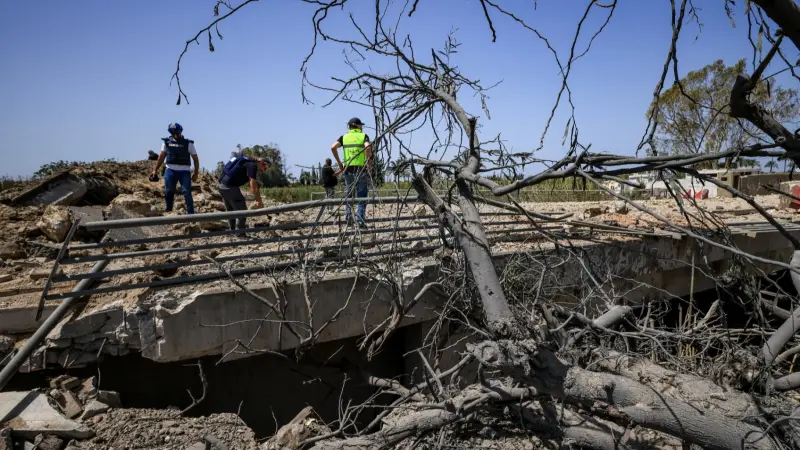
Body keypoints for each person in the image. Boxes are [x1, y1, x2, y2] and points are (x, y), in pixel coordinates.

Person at [330, 117, 373, 228]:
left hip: (348, 169)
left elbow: (333, 147)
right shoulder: (363, 136)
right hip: (361, 169)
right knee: (362, 195)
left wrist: (340, 163)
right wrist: (368, 162)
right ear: (357, 126)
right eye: (361, 125)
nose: (362, 127)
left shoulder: (344, 137)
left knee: (349, 194)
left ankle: (349, 219)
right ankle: (360, 220)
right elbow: (368, 146)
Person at [151, 123, 200, 215]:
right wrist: (155, 170)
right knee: (169, 191)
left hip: (184, 171)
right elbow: (161, 157)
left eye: (178, 133)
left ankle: (191, 214)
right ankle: (169, 211)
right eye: (174, 133)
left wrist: (196, 172)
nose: (176, 135)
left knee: (186, 192)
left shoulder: (188, 144)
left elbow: (196, 159)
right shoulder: (166, 143)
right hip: (170, 170)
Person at [218, 154, 270, 235]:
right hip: (230, 187)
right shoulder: (252, 165)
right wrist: (259, 200)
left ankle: (232, 232)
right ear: (262, 162)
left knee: (230, 211)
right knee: (242, 211)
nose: (264, 171)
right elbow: (253, 185)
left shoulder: (244, 160)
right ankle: (240, 235)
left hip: (221, 185)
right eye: (265, 168)